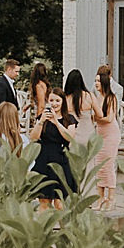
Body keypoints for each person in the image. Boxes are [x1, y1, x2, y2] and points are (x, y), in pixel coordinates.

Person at [33, 79, 81, 208]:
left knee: (60, 201)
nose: (54, 104)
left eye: (57, 101)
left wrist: (56, 122)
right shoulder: (42, 118)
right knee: (44, 201)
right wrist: (41, 121)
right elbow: (33, 137)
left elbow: (70, 138)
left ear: (63, 102)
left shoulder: (69, 119)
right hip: (44, 159)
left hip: (61, 159)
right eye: (52, 100)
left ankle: (64, 227)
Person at [91, 63, 122, 208]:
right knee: (99, 165)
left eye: (98, 81)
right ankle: (100, 197)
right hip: (100, 133)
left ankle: (111, 198)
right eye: (95, 81)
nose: (96, 84)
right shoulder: (97, 97)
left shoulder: (111, 98)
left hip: (110, 134)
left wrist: (96, 119)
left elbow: (109, 118)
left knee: (108, 165)